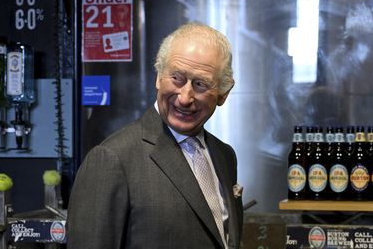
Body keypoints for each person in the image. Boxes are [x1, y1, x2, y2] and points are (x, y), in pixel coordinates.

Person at [66, 23, 244, 249]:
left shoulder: (224, 156)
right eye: (177, 78)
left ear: (223, 93)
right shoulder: (112, 159)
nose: (184, 97)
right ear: (159, 77)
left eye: (200, 84)